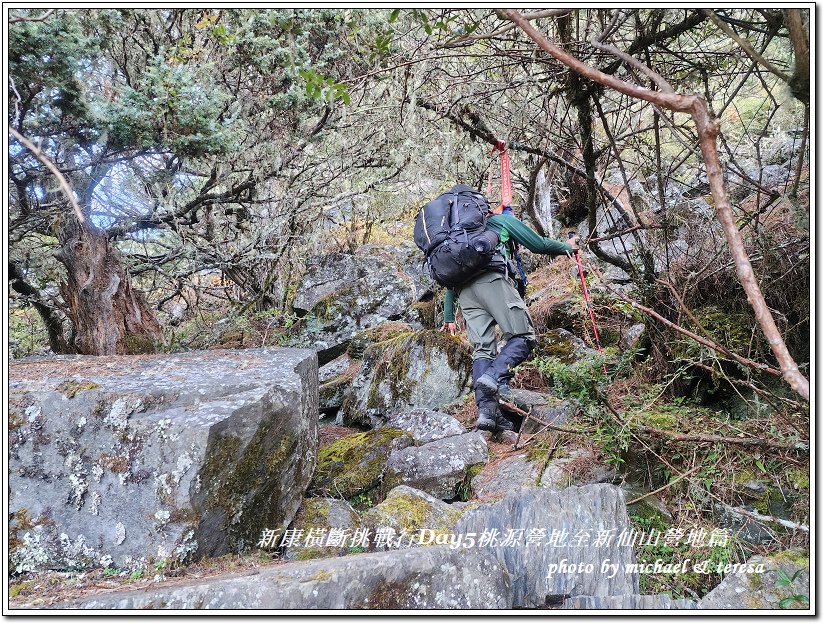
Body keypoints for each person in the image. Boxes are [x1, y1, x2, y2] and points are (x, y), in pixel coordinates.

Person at [441, 205, 578, 432]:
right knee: (523, 337)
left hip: (464, 294)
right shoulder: (501, 221)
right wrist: (568, 248)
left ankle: (487, 413)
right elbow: (539, 245)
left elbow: (450, 279)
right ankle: (494, 377)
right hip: (493, 281)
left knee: (483, 351)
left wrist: (448, 316)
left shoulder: (457, 237)